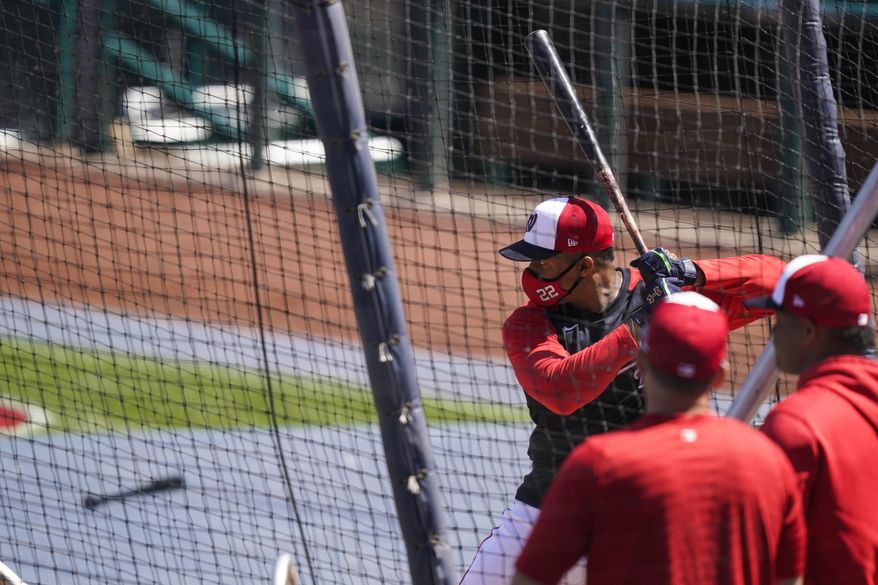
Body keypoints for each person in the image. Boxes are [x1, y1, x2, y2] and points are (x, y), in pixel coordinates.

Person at [460, 196, 785, 585]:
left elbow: (783, 283)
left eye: (542, 262)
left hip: (647, 517)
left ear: (583, 266)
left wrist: (691, 272)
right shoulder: (530, 323)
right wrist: (640, 325)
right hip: (547, 509)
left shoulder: (662, 297)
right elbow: (560, 388)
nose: (532, 271)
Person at [511, 292, 806, 585]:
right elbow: (789, 578)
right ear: (719, 375)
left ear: (639, 362)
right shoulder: (768, 461)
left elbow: (530, 579)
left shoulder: (598, 463)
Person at [748, 255, 878, 585]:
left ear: (807, 330)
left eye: (778, 321)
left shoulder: (796, 425)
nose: (773, 333)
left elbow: (770, 565)